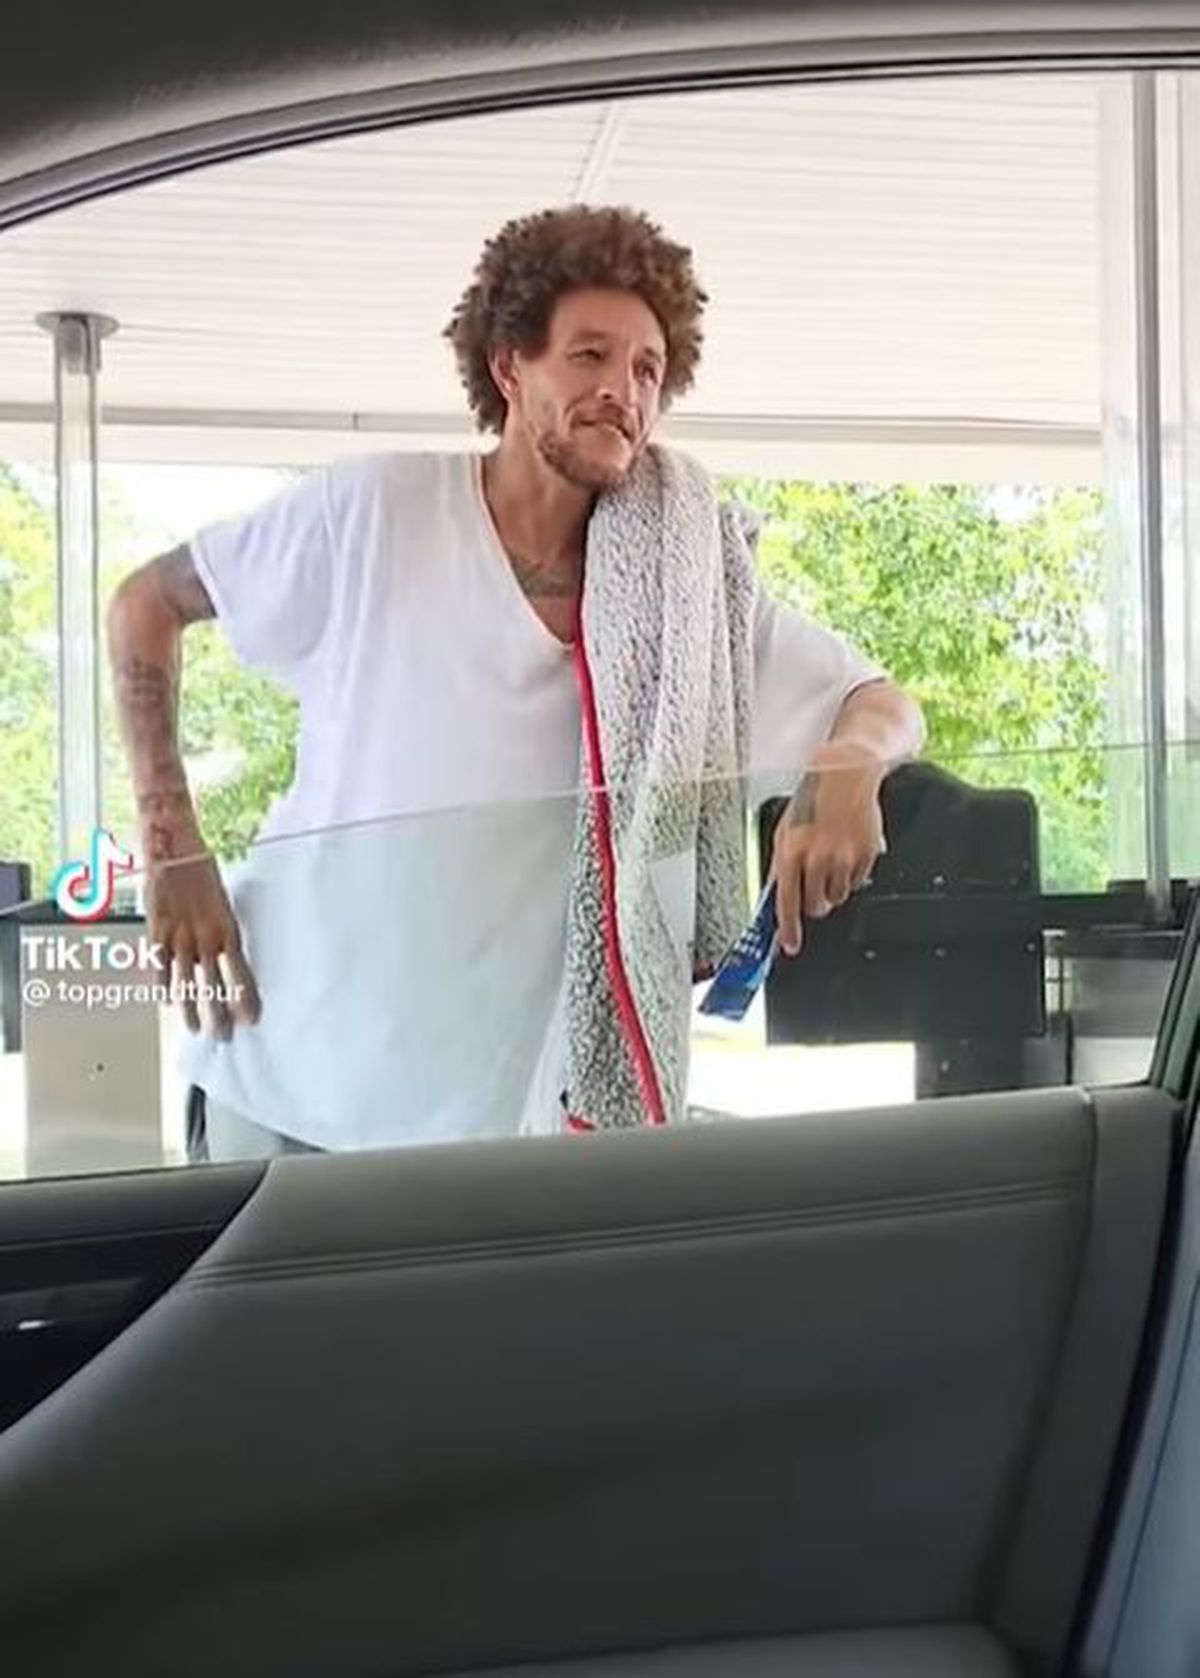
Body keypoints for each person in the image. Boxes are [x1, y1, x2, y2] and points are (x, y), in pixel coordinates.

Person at [107, 203, 923, 1162]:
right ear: (508, 366)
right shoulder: (374, 511)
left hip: (487, 1134)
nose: (621, 389)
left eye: (647, 369)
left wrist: (848, 762)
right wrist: (172, 849)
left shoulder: (684, 588)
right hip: (286, 1069)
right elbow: (144, 604)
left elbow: (880, 702)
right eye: (589, 356)